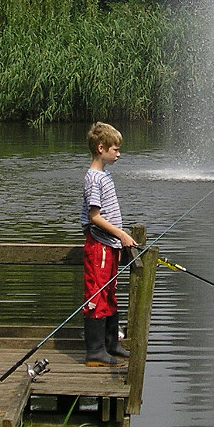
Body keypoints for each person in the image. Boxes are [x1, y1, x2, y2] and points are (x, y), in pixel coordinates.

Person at [81, 122, 138, 367]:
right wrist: (121, 234)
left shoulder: (105, 175)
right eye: (115, 149)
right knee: (97, 294)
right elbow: (94, 217)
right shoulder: (94, 179)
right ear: (101, 148)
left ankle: (112, 343)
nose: (118, 153)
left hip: (110, 246)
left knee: (110, 292)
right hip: (100, 246)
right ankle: (95, 350)